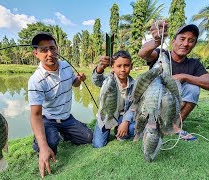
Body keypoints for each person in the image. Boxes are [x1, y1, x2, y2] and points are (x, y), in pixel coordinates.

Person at [138, 22, 209, 141]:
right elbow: (143, 54)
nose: (186, 44)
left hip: (174, 105)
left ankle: (175, 126)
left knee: (193, 88)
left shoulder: (194, 64)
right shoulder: (161, 55)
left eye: (191, 41)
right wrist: (156, 41)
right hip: (154, 102)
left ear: (194, 45)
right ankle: (154, 122)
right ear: (173, 41)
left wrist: (184, 76)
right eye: (182, 39)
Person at [28, 32, 93, 178]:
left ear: (57, 48)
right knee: (49, 146)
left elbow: (74, 84)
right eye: (44, 50)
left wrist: (79, 79)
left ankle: (64, 132)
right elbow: (35, 115)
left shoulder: (66, 66)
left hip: (66, 117)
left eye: (52, 48)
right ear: (36, 53)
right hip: (48, 119)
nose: (50, 53)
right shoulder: (35, 80)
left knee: (89, 138)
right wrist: (44, 147)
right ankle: (38, 142)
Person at [91, 50, 136, 148]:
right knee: (98, 145)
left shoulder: (134, 85)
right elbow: (96, 80)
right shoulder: (108, 80)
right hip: (106, 115)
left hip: (122, 116)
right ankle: (109, 130)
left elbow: (134, 106)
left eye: (126, 65)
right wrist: (100, 67)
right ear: (113, 66)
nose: (123, 69)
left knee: (133, 129)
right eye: (119, 66)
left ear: (131, 66)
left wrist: (125, 122)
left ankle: (118, 129)